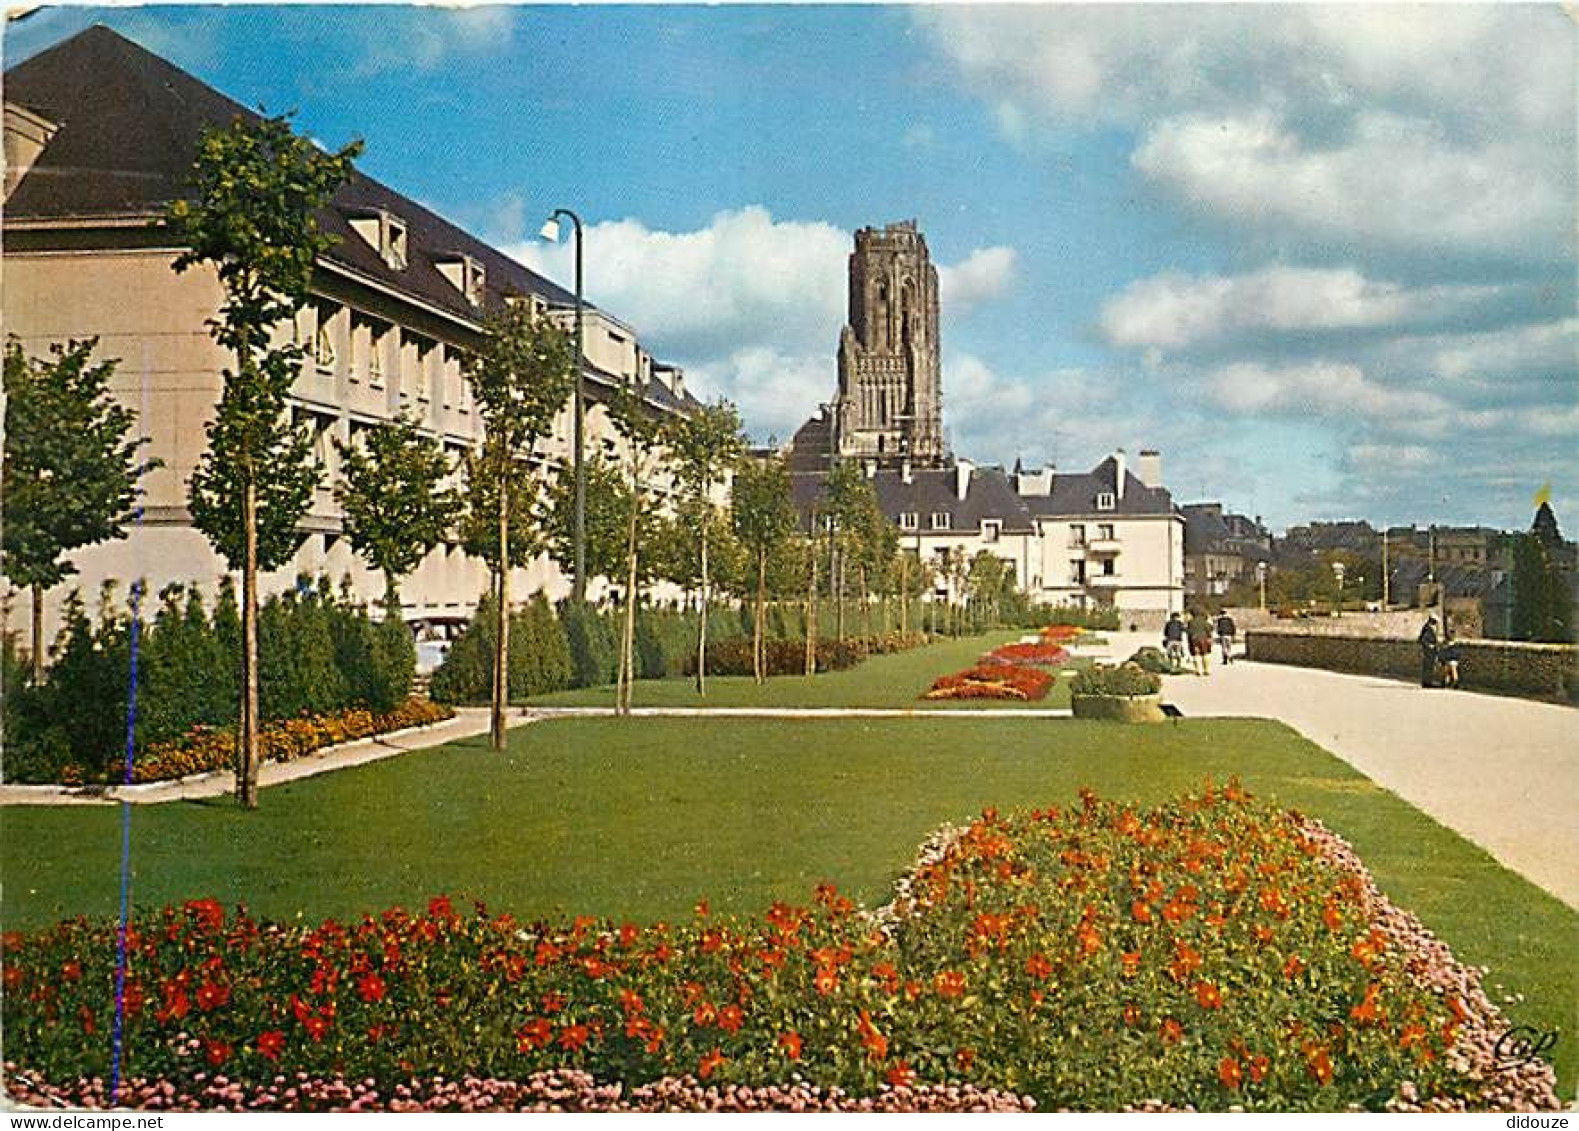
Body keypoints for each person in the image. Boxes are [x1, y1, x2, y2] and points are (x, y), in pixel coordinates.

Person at [1187, 607, 1213, 676]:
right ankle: (1206, 670)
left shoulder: (1190, 622)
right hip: (1204, 639)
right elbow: (1210, 629)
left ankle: (1198, 670)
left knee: (1196, 654)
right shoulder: (1204, 621)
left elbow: (1189, 632)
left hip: (1194, 639)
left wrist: (1189, 641)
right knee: (1205, 654)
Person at [1417, 616, 1439, 688]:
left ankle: (1427, 682)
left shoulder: (1427, 627)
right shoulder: (1427, 628)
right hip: (1428, 651)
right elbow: (1423, 640)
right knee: (1428, 667)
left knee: (1428, 666)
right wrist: (1430, 645)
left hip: (1429, 651)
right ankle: (1427, 682)